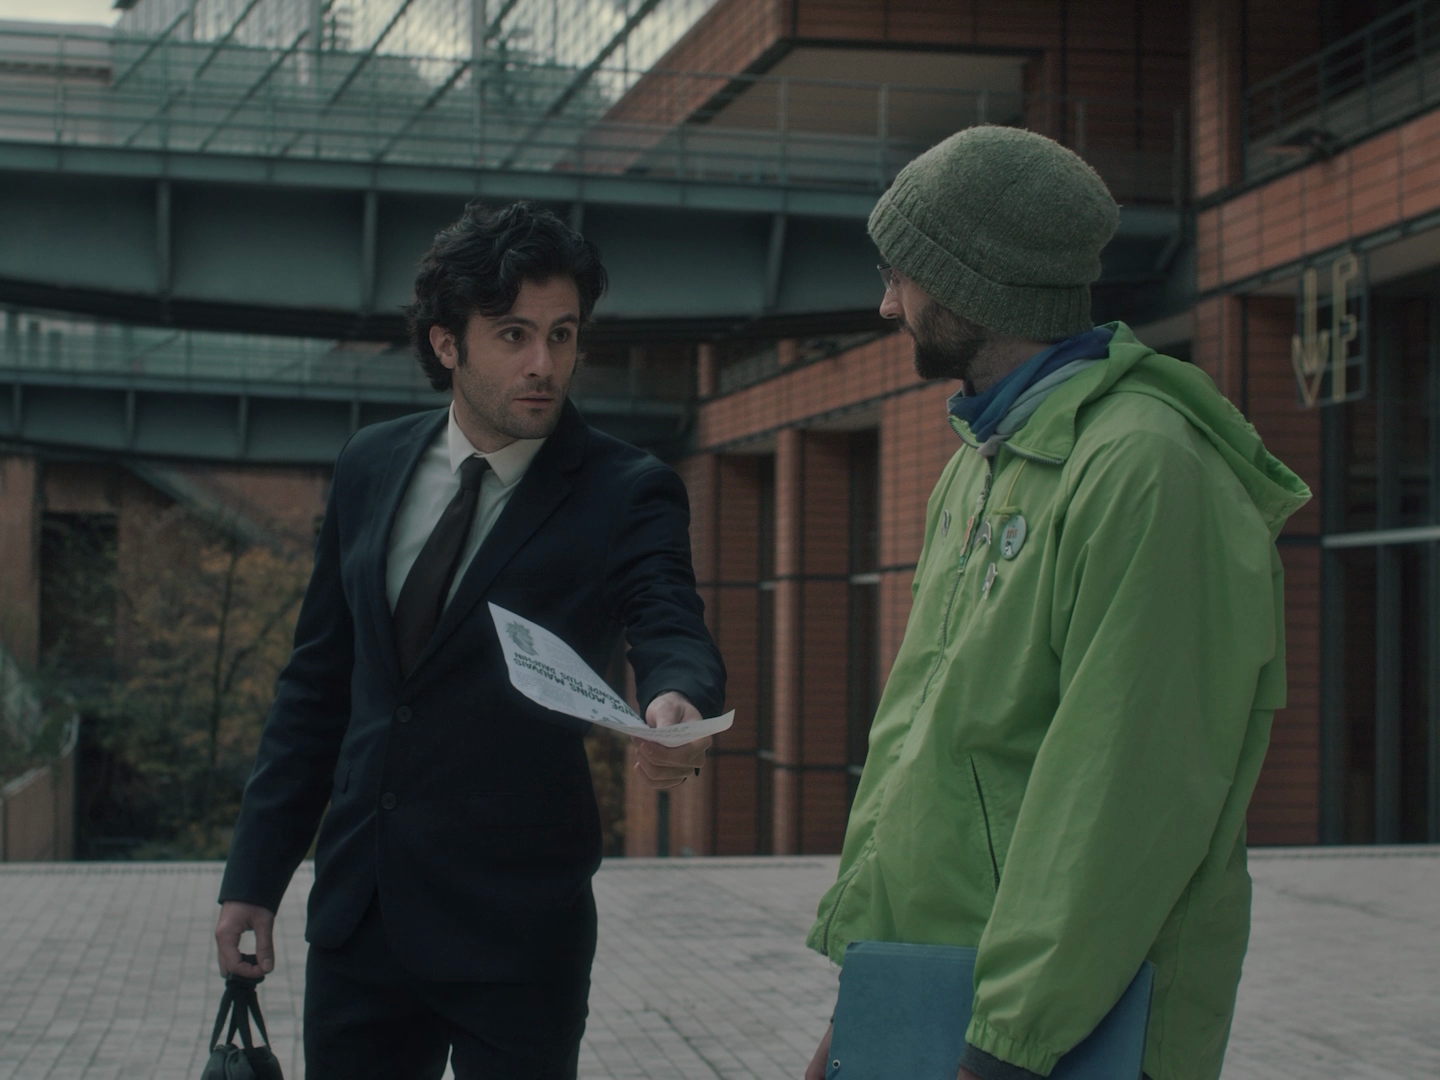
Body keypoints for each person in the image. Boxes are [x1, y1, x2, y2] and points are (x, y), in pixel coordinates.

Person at [804, 126, 1310, 1080]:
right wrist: (864, 1000)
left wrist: (1008, 1042)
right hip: (940, 1003)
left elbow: (1123, 792)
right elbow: (925, 752)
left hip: (1057, 1035)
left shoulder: (1145, 469)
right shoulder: (983, 464)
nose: (885, 305)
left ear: (968, 286)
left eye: (899, 275)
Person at [214, 201, 725, 1079]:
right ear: (447, 343)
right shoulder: (371, 465)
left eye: (562, 335)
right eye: (514, 334)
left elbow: (668, 615)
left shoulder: (625, 489)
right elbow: (317, 685)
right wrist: (253, 878)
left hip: (518, 931)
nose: (543, 364)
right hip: (361, 920)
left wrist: (676, 696)